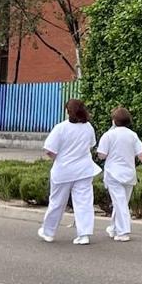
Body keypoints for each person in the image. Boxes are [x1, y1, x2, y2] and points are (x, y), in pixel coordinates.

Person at [39, 98, 101, 245]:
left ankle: (48, 232)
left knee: (57, 203)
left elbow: (49, 150)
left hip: (63, 171)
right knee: (84, 202)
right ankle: (84, 234)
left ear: (67, 111)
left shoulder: (61, 128)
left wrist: (58, 158)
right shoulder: (88, 127)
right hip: (84, 170)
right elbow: (91, 145)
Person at [96, 106, 142, 243]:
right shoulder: (132, 135)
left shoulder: (108, 135)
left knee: (120, 203)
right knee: (121, 202)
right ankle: (113, 228)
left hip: (113, 174)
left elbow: (102, 155)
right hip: (129, 174)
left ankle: (123, 232)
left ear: (113, 120)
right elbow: (141, 154)